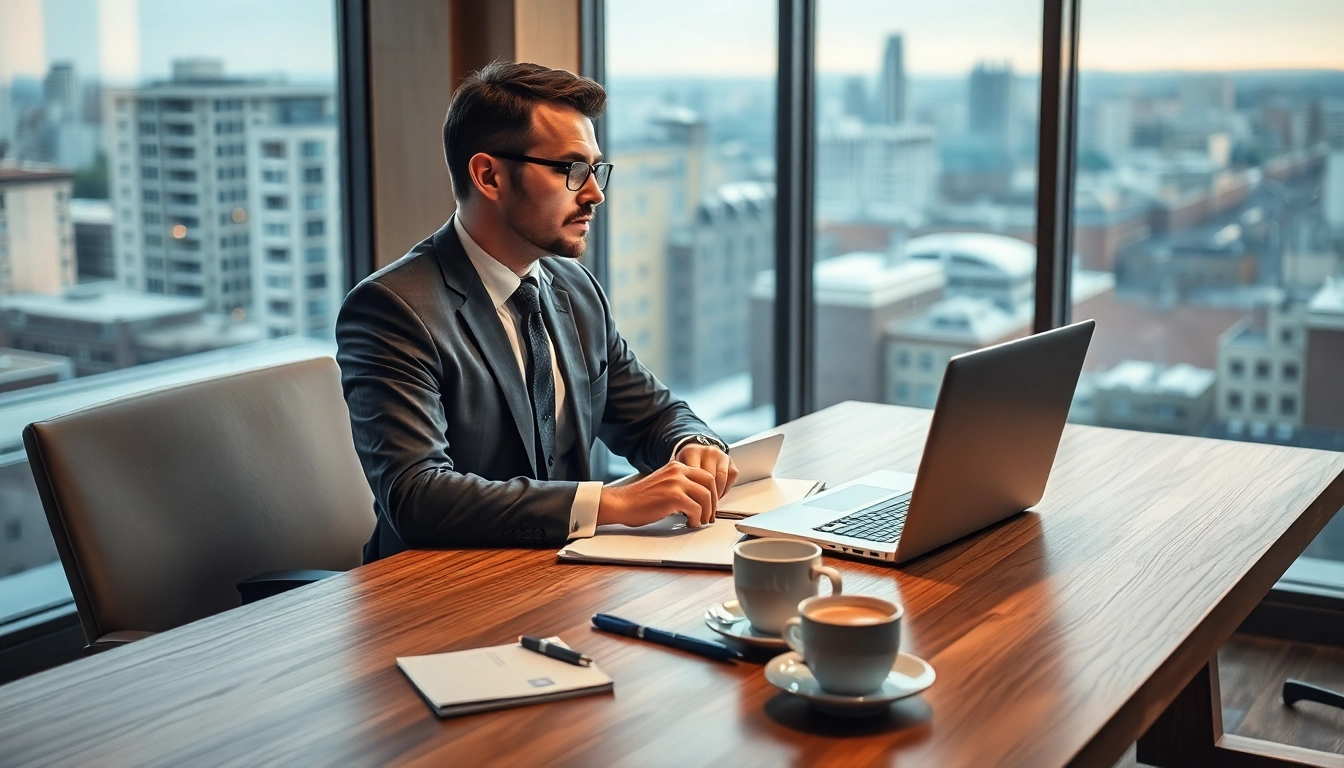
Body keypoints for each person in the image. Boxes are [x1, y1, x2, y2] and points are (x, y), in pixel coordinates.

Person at [336, 61, 739, 562]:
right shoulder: (392, 310)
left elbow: (651, 415)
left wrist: (692, 444)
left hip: (565, 577)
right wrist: (611, 502)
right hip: (439, 591)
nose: (595, 192)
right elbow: (418, 496)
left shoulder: (574, 288)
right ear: (488, 176)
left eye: (596, 168)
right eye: (571, 169)